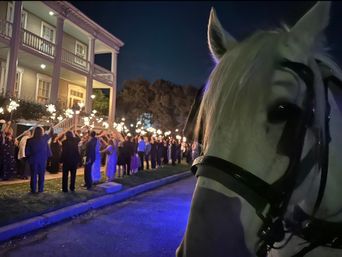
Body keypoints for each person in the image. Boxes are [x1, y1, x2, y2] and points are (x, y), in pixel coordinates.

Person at [25, 126, 53, 193]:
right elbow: (51, 133)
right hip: (42, 160)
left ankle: (33, 189)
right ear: (42, 132)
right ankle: (40, 189)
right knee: (41, 176)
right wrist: (51, 127)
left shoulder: (29, 140)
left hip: (33, 160)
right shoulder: (44, 138)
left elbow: (27, 152)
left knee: (33, 175)